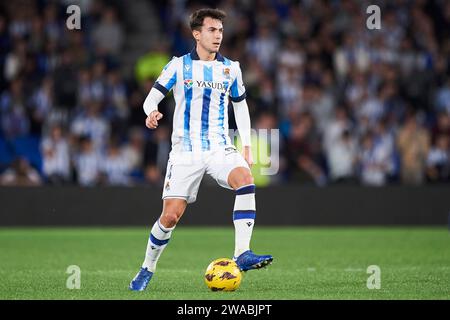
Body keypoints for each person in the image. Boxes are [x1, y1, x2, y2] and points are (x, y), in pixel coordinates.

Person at [129, 8, 273, 291]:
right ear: (197, 34)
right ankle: (147, 268)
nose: (218, 35)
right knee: (170, 216)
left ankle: (242, 253)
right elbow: (151, 98)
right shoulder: (178, 66)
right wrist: (151, 112)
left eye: (220, 30)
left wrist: (246, 145)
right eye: (211, 30)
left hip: (219, 146)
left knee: (245, 179)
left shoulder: (231, 68)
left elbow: (240, 106)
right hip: (185, 151)